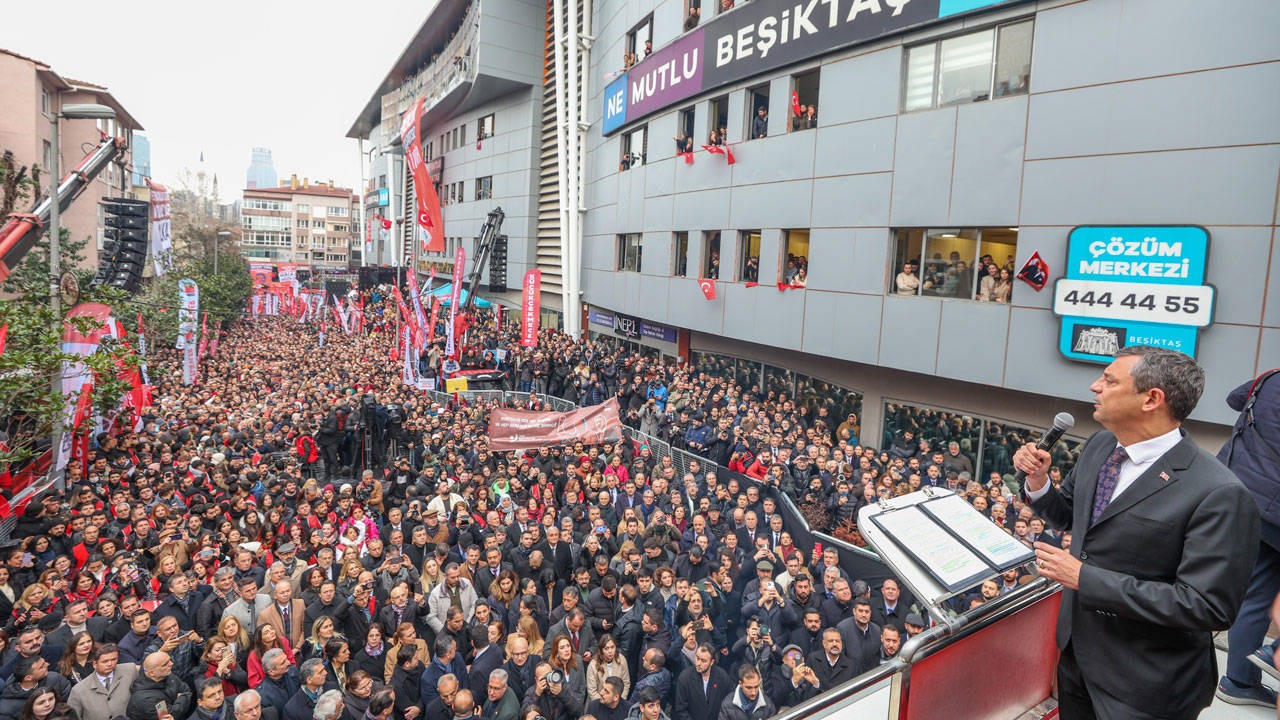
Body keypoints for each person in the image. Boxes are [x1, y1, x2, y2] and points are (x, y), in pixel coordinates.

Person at [1014, 346, 1260, 719]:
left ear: (1152, 399)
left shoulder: (1219, 492)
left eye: (1110, 380)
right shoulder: (1100, 446)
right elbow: (1069, 515)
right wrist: (1038, 482)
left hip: (1147, 683)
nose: (1095, 386)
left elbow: (1207, 607)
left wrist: (1085, 578)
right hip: (1078, 657)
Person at [1217, 368, 1280, 707]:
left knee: (1257, 591)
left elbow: (1234, 399)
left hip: (1244, 497)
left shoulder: (1272, 377)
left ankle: (1238, 681)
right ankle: (1275, 652)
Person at [67, 644, 137, 720]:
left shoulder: (130, 671)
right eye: (105, 661)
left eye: (114, 659)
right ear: (94, 664)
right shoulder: (79, 690)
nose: (110, 664)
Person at [125, 652, 193, 720]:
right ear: (152, 673)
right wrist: (182, 698)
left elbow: (186, 689)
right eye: (165, 664)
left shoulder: (167, 675)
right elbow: (172, 714)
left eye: (170, 660)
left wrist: (180, 699)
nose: (171, 664)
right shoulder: (146, 699)